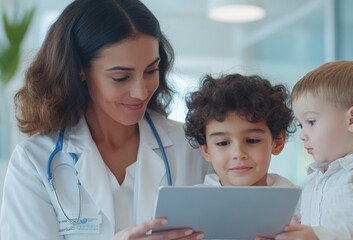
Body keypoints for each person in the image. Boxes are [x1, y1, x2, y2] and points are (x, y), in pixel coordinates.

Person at [0, 0, 211, 239]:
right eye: (121, 77)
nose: (141, 91)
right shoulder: (34, 162)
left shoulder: (195, 148)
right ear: (79, 70)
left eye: (150, 71)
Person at [258, 61, 353, 240]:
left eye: (311, 122)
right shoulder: (313, 185)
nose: (302, 135)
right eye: (301, 125)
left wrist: (318, 236)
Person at [184, 73, 298, 188]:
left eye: (252, 140)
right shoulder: (192, 203)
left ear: (278, 141)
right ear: (206, 150)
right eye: (222, 143)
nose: (238, 153)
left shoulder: (300, 200)